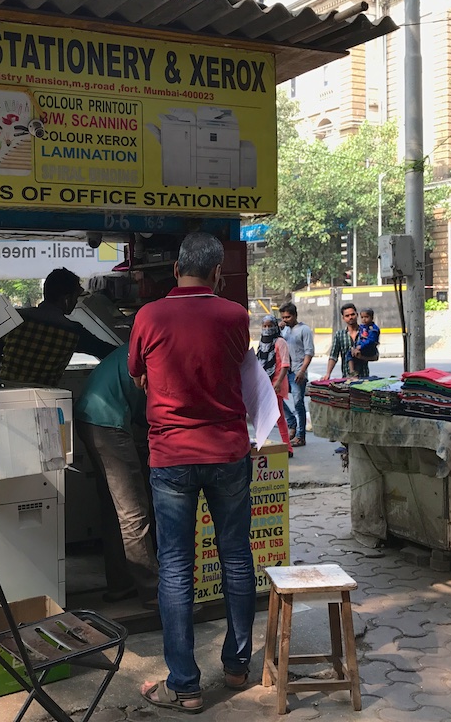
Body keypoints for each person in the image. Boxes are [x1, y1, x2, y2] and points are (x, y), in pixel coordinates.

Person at [129, 232, 254, 713]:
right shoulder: (234, 316)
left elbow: (138, 374)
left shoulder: (149, 316)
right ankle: (238, 667)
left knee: (178, 568)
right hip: (227, 453)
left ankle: (184, 685)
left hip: (172, 456)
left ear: (177, 267)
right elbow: (233, 367)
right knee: (236, 558)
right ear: (218, 273)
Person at [75, 344, 158, 605]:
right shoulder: (157, 355)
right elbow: (155, 412)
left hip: (91, 417)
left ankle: (120, 584)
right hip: (108, 422)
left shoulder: (139, 346)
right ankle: (155, 592)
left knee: (116, 508)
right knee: (134, 511)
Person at [0, 268, 115, 386]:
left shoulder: (15, 319)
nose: (75, 302)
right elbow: (105, 351)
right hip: (44, 402)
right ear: (66, 299)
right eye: (75, 297)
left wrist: (12, 372)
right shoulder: (72, 332)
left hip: (4, 396)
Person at [256, 314, 293, 457]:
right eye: (264, 326)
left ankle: (287, 447)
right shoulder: (262, 343)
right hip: (264, 384)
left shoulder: (280, 342)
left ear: (275, 326)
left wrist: (277, 383)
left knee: (278, 416)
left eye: (270, 325)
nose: (267, 329)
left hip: (276, 384)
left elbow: (285, 364)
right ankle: (263, 444)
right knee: (265, 416)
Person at [279, 303, 313, 447]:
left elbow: (309, 352)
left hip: (298, 371)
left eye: (288, 316)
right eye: (283, 317)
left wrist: (302, 370)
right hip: (286, 371)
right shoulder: (284, 331)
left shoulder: (304, 330)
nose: (286, 319)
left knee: (298, 403)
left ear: (295, 315)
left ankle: (301, 436)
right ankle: (291, 422)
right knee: (278, 398)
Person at [322, 302, 365, 380]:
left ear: (357, 315)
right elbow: (333, 356)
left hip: (364, 378)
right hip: (347, 379)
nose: (350, 317)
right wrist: (328, 374)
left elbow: (375, 357)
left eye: (352, 314)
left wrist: (362, 356)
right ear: (343, 318)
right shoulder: (339, 335)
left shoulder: (365, 333)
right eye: (347, 316)